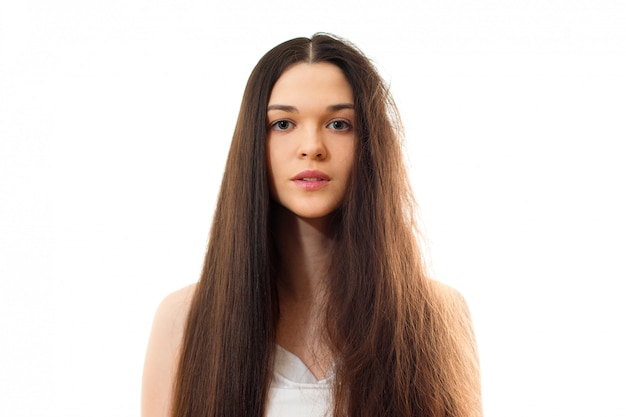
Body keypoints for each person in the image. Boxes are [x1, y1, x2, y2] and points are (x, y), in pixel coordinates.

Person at [141, 33, 482, 417]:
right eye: (284, 123)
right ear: (255, 141)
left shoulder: (435, 315)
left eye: (339, 124)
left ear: (370, 144)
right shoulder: (183, 320)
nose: (312, 146)